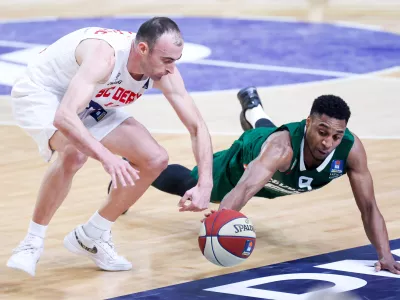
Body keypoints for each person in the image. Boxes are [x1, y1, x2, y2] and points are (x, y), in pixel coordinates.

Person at [7, 17, 214, 277]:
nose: (172, 69)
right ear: (142, 49)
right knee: (74, 152)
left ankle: (92, 235)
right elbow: (65, 117)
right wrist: (107, 157)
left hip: (92, 100)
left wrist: (205, 183)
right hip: (43, 94)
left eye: (176, 60)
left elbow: (197, 126)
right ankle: (32, 243)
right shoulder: (105, 57)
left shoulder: (164, 70)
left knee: (155, 159)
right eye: (167, 60)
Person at [134, 86, 400, 275]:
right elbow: (246, 187)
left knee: (269, 131)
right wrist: (220, 222)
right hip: (245, 163)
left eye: (336, 136)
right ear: (308, 123)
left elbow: (368, 207)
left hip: (278, 166)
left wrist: (384, 255)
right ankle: (134, 168)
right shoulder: (280, 150)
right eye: (322, 132)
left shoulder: (351, 151)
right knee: (193, 186)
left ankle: (253, 108)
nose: (328, 143)